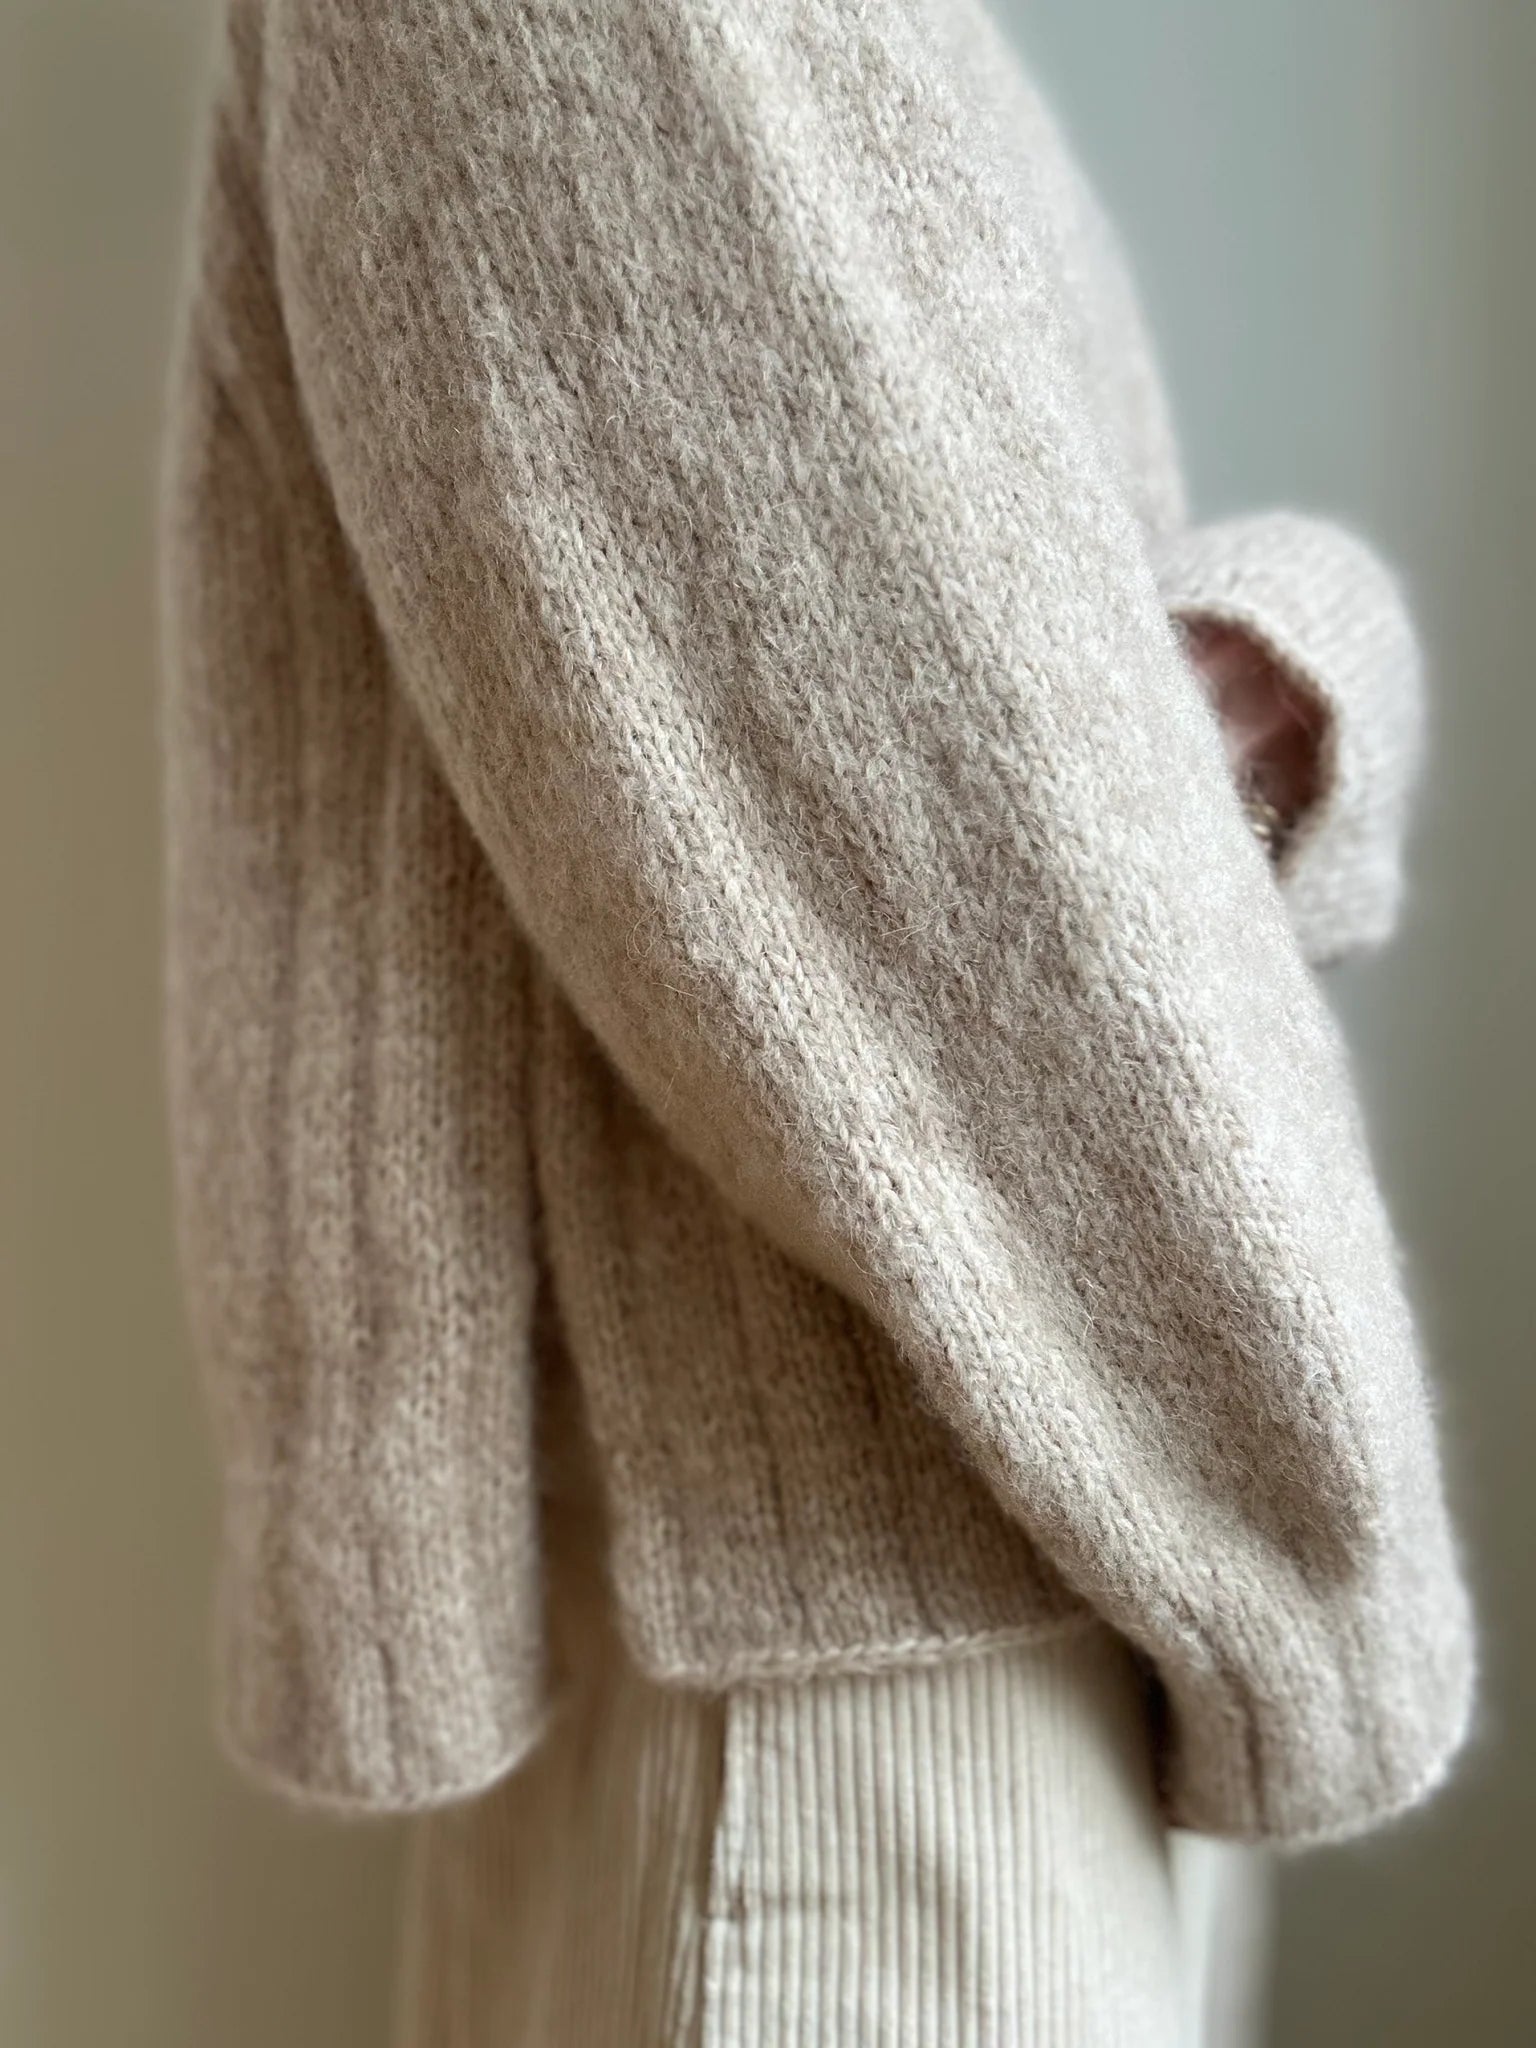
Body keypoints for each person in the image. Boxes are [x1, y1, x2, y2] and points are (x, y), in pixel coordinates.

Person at [158, 3, 1474, 2043]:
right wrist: (1335, 1587)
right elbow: (930, 895)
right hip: (864, 1761)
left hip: (968, 1609)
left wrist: (1271, 668)